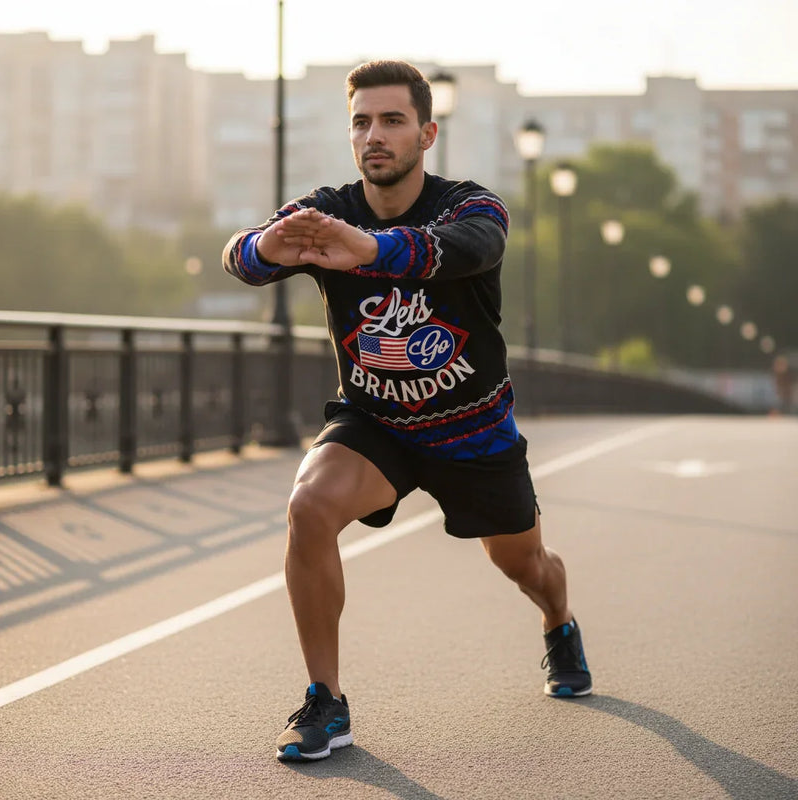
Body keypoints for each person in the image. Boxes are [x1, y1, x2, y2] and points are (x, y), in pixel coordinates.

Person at [222, 60, 591, 763]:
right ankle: (325, 702)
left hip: (474, 432)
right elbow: (241, 257)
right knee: (308, 505)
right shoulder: (327, 208)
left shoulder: (473, 208)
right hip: (377, 426)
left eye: (392, 121)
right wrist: (262, 248)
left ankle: (560, 624)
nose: (374, 135)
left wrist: (372, 250)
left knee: (527, 565)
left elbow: (464, 250)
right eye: (361, 121)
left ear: (427, 134)